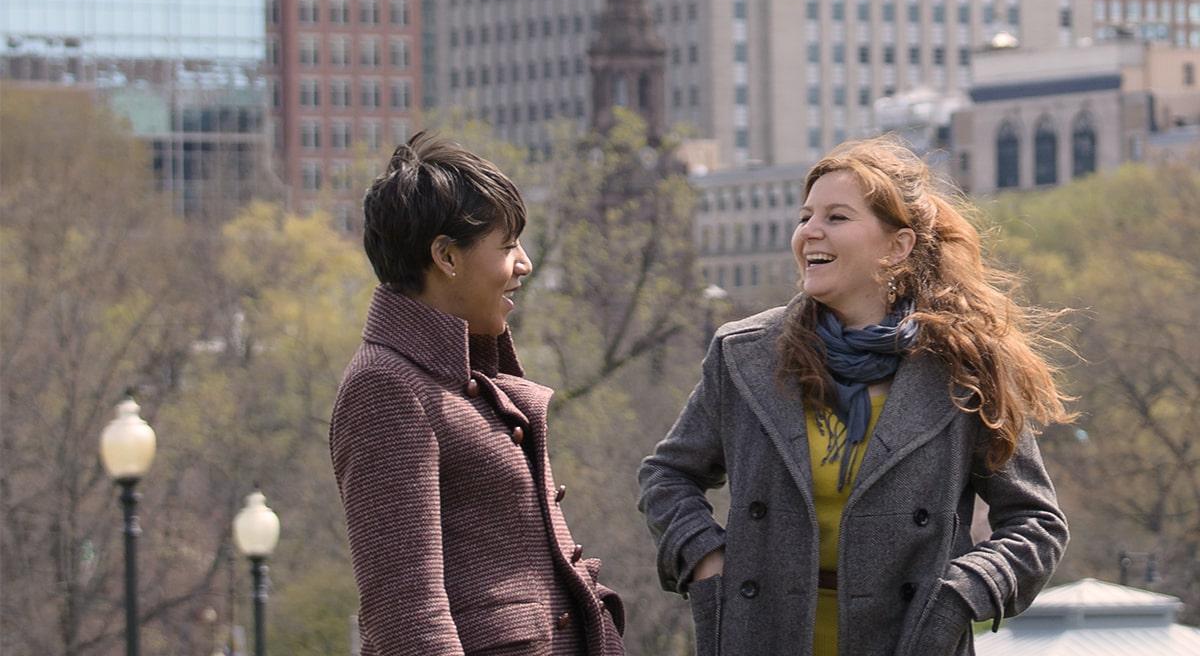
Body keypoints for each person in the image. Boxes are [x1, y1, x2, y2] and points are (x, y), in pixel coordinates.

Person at [638, 137, 1072, 656]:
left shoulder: (964, 365)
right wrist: (707, 560)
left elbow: (1036, 522)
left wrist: (959, 596)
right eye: (805, 216)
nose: (809, 232)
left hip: (907, 640)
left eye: (837, 217)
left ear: (897, 246)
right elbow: (667, 476)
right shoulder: (745, 354)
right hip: (759, 635)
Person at [331, 132, 625, 656]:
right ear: (446, 256)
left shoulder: (466, 382)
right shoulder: (386, 387)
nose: (525, 264)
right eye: (508, 245)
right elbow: (406, 612)